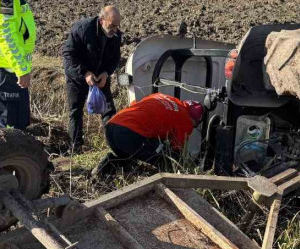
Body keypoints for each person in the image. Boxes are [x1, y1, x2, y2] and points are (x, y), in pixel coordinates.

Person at [92, 93, 204, 177]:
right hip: (128, 133)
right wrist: (182, 168)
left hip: (111, 127)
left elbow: (135, 104)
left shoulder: (162, 96)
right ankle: (164, 184)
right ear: (193, 119)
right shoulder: (186, 119)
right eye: (194, 125)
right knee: (164, 159)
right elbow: (177, 149)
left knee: (129, 158)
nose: (192, 128)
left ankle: (105, 167)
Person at [62, 6, 122, 151]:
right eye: (112, 25)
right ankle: (75, 148)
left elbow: (115, 58)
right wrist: (85, 73)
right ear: (102, 21)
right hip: (77, 76)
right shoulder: (83, 29)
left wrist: (106, 73)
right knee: (75, 111)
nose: (115, 29)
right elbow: (68, 54)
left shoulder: (115, 35)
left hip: (99, 76)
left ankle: (114, 146)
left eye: (117, 25)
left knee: (109, 110)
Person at [0, 0, 36, 129]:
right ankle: (10, 149)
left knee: (18, 121)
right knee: (11, 127)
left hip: (6, 64)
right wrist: (21, 69)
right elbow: (6, 34)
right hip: (7, 66)